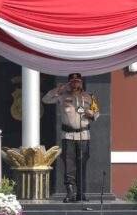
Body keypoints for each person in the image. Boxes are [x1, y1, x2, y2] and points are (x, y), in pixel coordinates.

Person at [42, 73, 99, 203]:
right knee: (69, 165)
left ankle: (81, 193)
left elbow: (97, 113)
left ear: (81, 83)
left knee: (82, 164)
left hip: (84, 135)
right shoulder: (62, 96)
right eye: (72, 82)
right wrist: (58, 89)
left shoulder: (90, 96)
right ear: (69, 83)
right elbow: (46, 99)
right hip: (68, 135)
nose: (75, 84)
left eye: (77, 81)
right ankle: (70, 193)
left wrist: (90, 113)